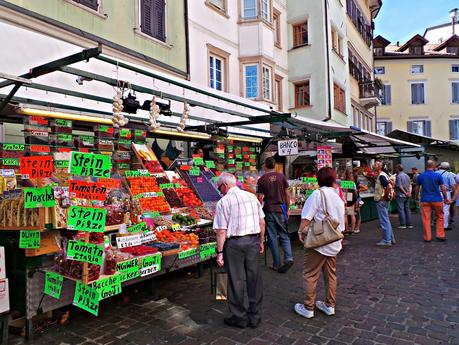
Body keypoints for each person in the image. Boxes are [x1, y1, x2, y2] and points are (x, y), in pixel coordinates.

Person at [213, 173, 265, 329]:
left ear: (225, 186)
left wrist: (220, 252)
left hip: (234, 244)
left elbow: (221, 231)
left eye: (220, 187)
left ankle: (239, 317)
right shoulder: (251, 197)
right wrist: (261, 241)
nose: (220, 190)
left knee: (235, 280)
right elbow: (261, 222)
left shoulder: (224, 202)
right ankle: (254, 315)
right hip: (253, 241)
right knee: (254, 278)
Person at [294, 167, 345, 319]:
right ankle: (330, 305)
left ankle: (308, 307)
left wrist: (300, 232)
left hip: (318, 241)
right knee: (331, 275)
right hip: (334, 241)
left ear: (319, 179)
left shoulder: (318, 194)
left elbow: (307, 217)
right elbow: (342, 223)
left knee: (310, 273)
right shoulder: (338, 196)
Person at [257, 157, 293, 273]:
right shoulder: (281, 177)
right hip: (280, 209)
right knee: (284, 235)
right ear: (274, 165)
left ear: (265, 166)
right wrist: (287, 208)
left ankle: (276, 264)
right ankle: (288, 258)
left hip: (268, 210)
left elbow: (260, 198)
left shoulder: (262, 179)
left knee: (272, 238)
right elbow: (287, 195)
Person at [415, 160, 450, 242]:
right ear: (434, 166)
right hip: (437, 199)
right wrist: (445, 198)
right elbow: (443, 188)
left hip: (425, 200)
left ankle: (428, 237)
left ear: (425, 166)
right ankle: (440, 235)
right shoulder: (437, 175)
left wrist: (416, 197)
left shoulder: (420, 176)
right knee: (440, 217)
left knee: (426, 218)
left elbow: (417, 188)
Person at [373, 161, 395, 247]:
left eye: (375, 164)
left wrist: (384, 197)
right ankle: (390, 239)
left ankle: (387, 240)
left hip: (381, 201)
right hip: (384, 201)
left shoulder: (381, 176)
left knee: (384, 221)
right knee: (386, 220)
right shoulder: (383, 175)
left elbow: (388, 187)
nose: (374, 166)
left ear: (379, 167)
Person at [435, 162, 456, 231]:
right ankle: (444, 225)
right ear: (447, 168)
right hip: (446, 193)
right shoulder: (449, 174)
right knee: (445, 209)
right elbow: (453, 186)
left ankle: (437, 223)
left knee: (437, 209)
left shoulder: (435, 173)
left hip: (435, 192)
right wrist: (454, 194)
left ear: (440, 166)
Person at [395, 164, 413, 229]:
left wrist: (405, 193)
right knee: (407, 209)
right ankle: (409, 224)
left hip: (401, 195)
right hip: (407, 195)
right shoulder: (407, 175)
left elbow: (399, 186)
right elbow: (410, 185)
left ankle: (402, 224)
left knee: (401, 209)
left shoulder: (399, 176)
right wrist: (409, 193)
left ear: (397, 169)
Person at [343, 170, 357, 234]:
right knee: (352, 214)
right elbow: (355, 192)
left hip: (345, 197)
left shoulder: (343, 182)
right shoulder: (352, 183)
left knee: (345, 215)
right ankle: (352, 229)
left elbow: (342, 191)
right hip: (351, 198)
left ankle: (346, 229)